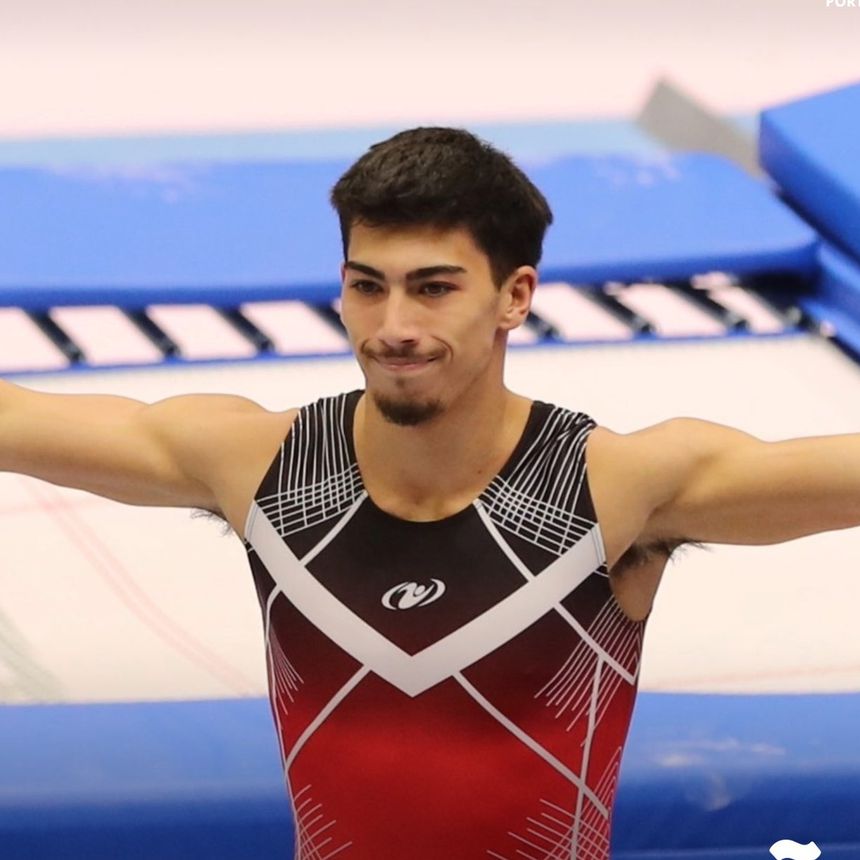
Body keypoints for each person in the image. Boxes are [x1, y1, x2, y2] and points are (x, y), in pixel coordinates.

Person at [2, 127, 857, 859]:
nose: (393, 326)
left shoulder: (616, 490)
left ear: (514, 296)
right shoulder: (258, 465)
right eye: (367, 285)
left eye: (434, 288)